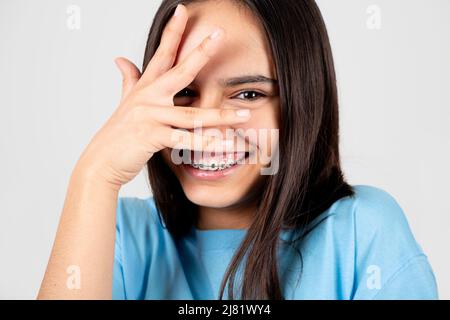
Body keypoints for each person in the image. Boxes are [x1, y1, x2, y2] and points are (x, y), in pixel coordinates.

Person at [37, 0, 438, 300]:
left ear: (302, 103)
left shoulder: (361, 231)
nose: (206, 124)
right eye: (184, 92)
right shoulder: (121, 235)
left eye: (248, 93)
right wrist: (95, 175)